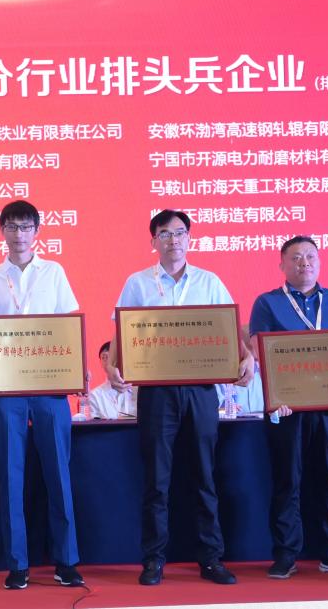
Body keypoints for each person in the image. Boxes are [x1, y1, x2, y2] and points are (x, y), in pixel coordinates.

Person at [108, 209, 253, 586]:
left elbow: (230, 329)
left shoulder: (209, 281)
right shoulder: (137, 283)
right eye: (165, 234)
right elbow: (122, 332)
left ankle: (211, 558)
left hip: (201, 390)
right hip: (156, 391)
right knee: (157, 479)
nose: (173, 240)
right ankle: (154, 559)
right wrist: (112, 366)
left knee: (204, 474)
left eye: (179, 233)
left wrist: (247, 356)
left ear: (190, 238)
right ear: (153, 241)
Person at [0, 200, 84, 590]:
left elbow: (68, 324)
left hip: (50, 387)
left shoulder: (54, 272)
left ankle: (66, 561)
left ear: (37, 231)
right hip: (7, 389)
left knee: (59, 474)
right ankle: (17, 564)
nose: (19, 235)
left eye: (26, 227)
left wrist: (76, 366)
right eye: (12, 227)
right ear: (2, 231)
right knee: (10, 475)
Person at [248, 235, 328, 579]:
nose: (305, 263)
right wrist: (277, 396)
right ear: (282, 265)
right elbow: (259, 352)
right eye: (296, 257)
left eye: (311, 256)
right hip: (289, 409)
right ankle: (286, 553)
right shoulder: (268, 303)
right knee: (288, 480)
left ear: (319, 262)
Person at [88, 341, 135, 420]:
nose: (108, 361)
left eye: (112, 357)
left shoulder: (138, 391)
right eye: (104, 357)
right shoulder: (95, 395)